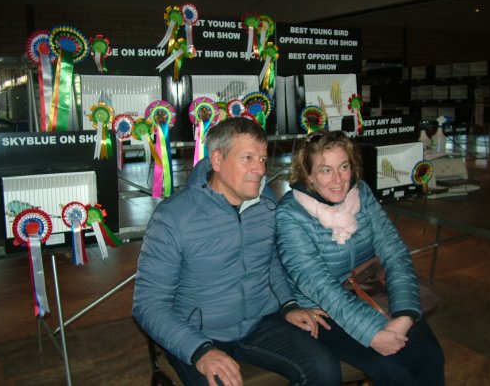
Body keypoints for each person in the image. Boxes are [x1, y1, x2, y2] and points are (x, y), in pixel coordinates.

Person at [132, 118, 341, 386]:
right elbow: (148, 304)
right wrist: (199, 350)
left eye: (263, 160)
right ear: (217, 161)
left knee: (325, 371)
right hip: (198, 332)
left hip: (258, 322)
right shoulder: (173, 217)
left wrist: (288, 305)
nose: (260, 169)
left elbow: (271, 260)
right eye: (248, 158)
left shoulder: (265, 202)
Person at [275, 130, 445, 386]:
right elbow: (320, 285)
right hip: (324, 310)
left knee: (430, 355)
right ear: (308, 174)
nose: (338, 180)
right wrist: (373, 332)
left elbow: (395, 253)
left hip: (371, 291)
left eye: (343, 167)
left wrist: (405, 315)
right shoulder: (290, 214)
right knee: (391, 369)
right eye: (325, 170)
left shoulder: (361, 193)